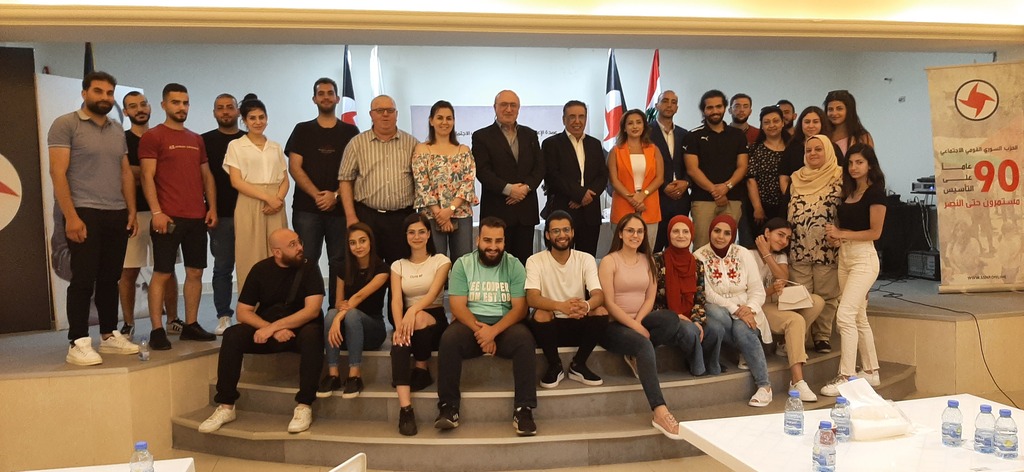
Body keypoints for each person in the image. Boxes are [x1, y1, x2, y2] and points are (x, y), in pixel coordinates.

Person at [48, 71, 139, 365]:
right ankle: (77, 342)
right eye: (98, 91)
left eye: (110, 93)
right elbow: (57, 173)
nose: (105, 97)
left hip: (116, 212)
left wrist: (131, 210)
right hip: (83, 211)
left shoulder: (117, 129)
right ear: (84, 93)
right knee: (84, 278)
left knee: (110, 278)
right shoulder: (65, 124)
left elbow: (125, 172)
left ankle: (109, 335)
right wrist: (71, 217)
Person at [198, 229, 325, 434]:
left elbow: (312, 310)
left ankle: (304, 405)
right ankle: (226, 406)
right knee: (232, 335)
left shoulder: (309, 268)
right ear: (277, 252)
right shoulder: (260, 270)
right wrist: (270, 330)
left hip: (299, 331)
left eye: (299, 242)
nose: (300, 247)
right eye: (292, 245)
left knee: (313, 335)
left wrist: (274, 327)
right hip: (268, 332)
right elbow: (242, 312)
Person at [435, 217, 538, 436]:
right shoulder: (463, 264)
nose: (493, 246)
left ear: (504, 241)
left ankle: (524, 410)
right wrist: (483, 333)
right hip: (471, 324)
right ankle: (448, 407)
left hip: (505, 325)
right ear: (477, 240)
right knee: (449, 340)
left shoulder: (514, 265)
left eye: (498, 241)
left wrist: (493, 331)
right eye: (487, 240)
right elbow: (457, 306)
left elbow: (520, 308)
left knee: (525, 340)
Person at [597, 213, 692, 440]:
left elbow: (650, 297)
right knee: (643, 344)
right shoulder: (609, 261)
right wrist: (634, 326)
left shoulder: (647, 260)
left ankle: (635, 354)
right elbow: (609, 303)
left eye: (640, 231)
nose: (635, 235)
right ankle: (660, 411)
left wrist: (639, 323)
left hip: (639, 320)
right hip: (613, 325)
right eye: (630, 230)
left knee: (671, 319)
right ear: (621, 233)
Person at [139, 83, 218, 350]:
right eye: (175, 102)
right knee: (162, 272)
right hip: (168, 218)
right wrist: (157, 212)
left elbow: (206, 176)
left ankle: (191, 324)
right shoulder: (153, 136)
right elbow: (147, 176)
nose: (181, 107)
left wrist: (212, 208)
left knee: (195, 271)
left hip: (196, 217)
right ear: (163, 105)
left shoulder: (196, 139)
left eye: (185, 102)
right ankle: (157, 329)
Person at [339, 94, 416, 326]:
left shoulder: (412, 143)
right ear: (371, 115)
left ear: (396, 114)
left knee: (399, 270)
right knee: (368, 269)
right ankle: (368, 321)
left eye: (389, 110)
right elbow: (345, 180)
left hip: (400, 218)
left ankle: (399, 323)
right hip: (367, 216)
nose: (385, 115)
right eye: (379, 110)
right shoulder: (357, 143)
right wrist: (351, 217)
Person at [287, 78, 360, 308]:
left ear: (337, 98)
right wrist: (318, 195)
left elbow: (357, 170)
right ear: (314, 99)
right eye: (321, 93)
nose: (326, 97)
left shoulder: (350, 131)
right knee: (306, 259)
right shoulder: (302, 130)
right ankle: (309, 311)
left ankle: (334, 310)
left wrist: (335, 195)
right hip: (307, 210)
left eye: (330, 93)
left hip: (341, 210)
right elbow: (294, 167)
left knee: (339, 261)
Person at [820, 144, 886, 396]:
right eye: (850, 163)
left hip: (864, 259)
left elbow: (875, 232)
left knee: (845, 316)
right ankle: (870, 371)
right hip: (845, 256)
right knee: (858, 316)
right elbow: (849, 229)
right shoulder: (849, 191)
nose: (854, 167)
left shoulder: (875, 193)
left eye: (859, 162)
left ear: (870, 164)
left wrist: (842, 234)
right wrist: (837, 237)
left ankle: (846, 376)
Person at [695, 215, 773, 407]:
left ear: (733, 235)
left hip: (747, 308)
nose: (720, 237)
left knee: (741, 329)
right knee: (715, 312)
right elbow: (707, 293)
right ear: (710, 231)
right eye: (717, 231)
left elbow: (757, 290)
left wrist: (750, 308)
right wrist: (736, 310)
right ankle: (744, 348)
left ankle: (765, 386)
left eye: (727, 233)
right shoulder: (699, 256)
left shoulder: (743, 253)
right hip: (721, 309)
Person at [119, 91, 178, 338]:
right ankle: (128, 323)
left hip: (164, 212)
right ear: (126, 112)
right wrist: (147, 173)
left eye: (143, 104)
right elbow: (125, 173)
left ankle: (173, 319)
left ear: (151, 107)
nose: (140, 109)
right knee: (129, 270)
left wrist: (143, 173)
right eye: (133, 106)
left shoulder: (160, 136)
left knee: (167, 269)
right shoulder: (122, 141)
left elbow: (168, 172)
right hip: (133, 213)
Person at [526, 210, 607, 389]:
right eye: (556, 231)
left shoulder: (586, 259)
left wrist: (586, 306)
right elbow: (532, 298)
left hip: (578, 320)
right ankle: (554, 366)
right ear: (547, 235)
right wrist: (560, 306)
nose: (562, 235)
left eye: (566, 230)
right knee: (540, 313)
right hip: (550, 326)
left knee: (600, 311)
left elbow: (598, 295)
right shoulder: (534, 260)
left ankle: (579, 365)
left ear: (573, 232)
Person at [390, 213, 452, 436]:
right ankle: (406, 410)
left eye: (421, 232)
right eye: (411, 232)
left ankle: (421, 368)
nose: (416, 236)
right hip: (407, 319)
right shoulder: (398, 265)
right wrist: (399, 326)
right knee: (399, 341)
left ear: (428, 235)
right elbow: (396, 300)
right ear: (405, 236)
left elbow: (433, 294)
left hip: (434, 318)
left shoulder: (441, 261)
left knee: (417, 318)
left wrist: (413, 311)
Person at [753, 218, 825, 401]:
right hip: (758, 305)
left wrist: (767, 254)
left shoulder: (780, 256)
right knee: (796, 320)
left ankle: (787, 345)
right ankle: (797, 381)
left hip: (776, 301)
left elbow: (782, 277)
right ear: (766, 233)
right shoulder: (748, 254)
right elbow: (748, 294)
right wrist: (771, 290)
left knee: (817, 301)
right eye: (780, 235)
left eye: (787, 238)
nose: (784, 241)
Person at [223, 95, 289, 291]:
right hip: (250, 202)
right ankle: (251, 303)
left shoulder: (275, 147)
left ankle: (278, 301)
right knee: (250, 253)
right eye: (252, 118)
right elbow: (236, 181)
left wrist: (277, 199)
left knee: (278, 252)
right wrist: (267, 198)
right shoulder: (236, 146)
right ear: (244, 120)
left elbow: (285, 179)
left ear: (267, 118)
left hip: (276, 203)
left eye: (261, 117)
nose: (258, 122)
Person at [472, 90, 545, 265]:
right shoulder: (481, 136)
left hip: (525, 211)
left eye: (513, 105)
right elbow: (483, 171)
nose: (509, 109)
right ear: (495, 108)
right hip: (497, 211)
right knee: (496, 264)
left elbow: (540, 167)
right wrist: (509, 190)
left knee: (522, 265)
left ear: (518, 109)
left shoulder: (530, 134)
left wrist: (525, 188)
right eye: (504, 105)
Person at [318, 222, 389, 399]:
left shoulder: (382, 269)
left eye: (362, 241)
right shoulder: (343, 267)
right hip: (347, 332)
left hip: (373, 330)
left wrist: (338, 317)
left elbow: (359, 297)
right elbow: (338, 302)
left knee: (348, 314)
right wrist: (337, 314)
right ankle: (333, 374)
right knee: (332, 313)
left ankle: (355, 375)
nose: (358, 246)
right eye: (353, 243)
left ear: (371, 242)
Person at [787, 135, 844, 354]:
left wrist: (840, 235)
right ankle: (799, 336)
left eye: (818, 149)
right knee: (800, 295)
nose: (812, 154)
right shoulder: (796, 178)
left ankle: (822, 336)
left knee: (827, 295)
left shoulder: (839, 176)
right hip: (799, 246)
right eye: (808, 150)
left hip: (827, 248)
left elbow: (846, 211)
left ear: (828, 151)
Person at [652, 215, 723, 377]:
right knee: (690, 331)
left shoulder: (697, 264)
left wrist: (697, 319)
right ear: (669, 234)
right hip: (667, 316)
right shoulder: (657, 261)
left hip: (690, 313)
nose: (681, 235)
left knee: (716, 328)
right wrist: (676, 315)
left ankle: (711, 364)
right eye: (675, 231)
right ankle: (697, 367)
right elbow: (652, 298)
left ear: (692, 235)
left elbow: (700, 297)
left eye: (685, 231)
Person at [202, 93, 246, 335]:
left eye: (230, 107)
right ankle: (223, 316)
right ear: (214, 113)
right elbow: (201, 178)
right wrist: (210, 208)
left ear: (238, 111)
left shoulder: (249, 140)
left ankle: (252, 314)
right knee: (223, 267)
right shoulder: (204, 141)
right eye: (220, 108)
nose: (226, 111)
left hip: (249, 213)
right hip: (220, 215)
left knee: (252, 265)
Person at [412, 100, 477, 262]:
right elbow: (422, 185)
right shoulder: (422, 149)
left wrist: (450, 210)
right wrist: (440, 214)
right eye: (440, 118)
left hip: (461, 213)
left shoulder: (463, 150)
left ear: (454, 121)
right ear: (431, 121)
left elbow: (468, 183)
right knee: (435, 263)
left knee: (463, 264)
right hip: (431, 215)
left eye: (449, 118)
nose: (444, 122)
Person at [540, 100, 608, 257]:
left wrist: (587, 197)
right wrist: (580, 194)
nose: (577, 121)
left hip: (590, 213)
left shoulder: (595, 144)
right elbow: (552, 176)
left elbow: (602, 175)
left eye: (581, 116)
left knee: (587, 260)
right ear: (564, 119)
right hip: (562, 211)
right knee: (560, 260)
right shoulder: (551, 144)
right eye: (572, 117)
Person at [683, 90, 749, 250]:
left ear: (725, 108)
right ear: (703, 110)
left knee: (727, 247)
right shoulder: (693, 136)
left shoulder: (738, 135)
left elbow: (742, 166)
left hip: (732, 198)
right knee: (702, 246)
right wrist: (715, 191)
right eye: (710, 107)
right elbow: (692, 169)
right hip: (703, 200)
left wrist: (727, 187)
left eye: (718, 106)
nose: (714, 111)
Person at [608, 109, 663, 247]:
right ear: (624, 128)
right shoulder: (616, 151)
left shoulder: (654, 149)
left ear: (644, 126)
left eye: (638, 122)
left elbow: (659, 178)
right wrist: (633, 200)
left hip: (648, 205)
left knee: (647, 250)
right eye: (630, 123)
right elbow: (614, 181)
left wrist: (643, 195)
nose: (635, 126)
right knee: (621, 250)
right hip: (623, 204)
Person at [649, 91, 691, 253]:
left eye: (673, 102)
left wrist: (686, 182)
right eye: (665, 101)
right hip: (656, 198)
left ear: (677, 108)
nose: (669, 105)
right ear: (657, 105)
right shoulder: (646, 132)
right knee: (654, 247)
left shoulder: (684, 134)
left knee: (677, 248)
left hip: (681, 199)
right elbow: (645, 166)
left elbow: (692, 164)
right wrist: (663, 185)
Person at [745, 106, 790, 238]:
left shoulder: (793, 148)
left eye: (776, 121)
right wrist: (758, 208)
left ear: (783, 123)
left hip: (787, 205)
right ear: (762, 126)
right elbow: (750, 180)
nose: (771, 125)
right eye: (767, 122)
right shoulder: (755, 149)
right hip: (762, 207)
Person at [779, 106, 841, 196]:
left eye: (815, 122)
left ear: (822, 123)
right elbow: (784, 176)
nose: (811, 126)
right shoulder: (792, 148)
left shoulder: (833, 147)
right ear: (801, 124)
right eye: (807, 122)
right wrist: (792, 197)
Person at [824, 90, 874, 156]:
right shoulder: (823, 134)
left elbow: (869, 160)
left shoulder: (862, 137)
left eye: (839, 109)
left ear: (849, 110)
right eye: (830, 109)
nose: (834, 113)